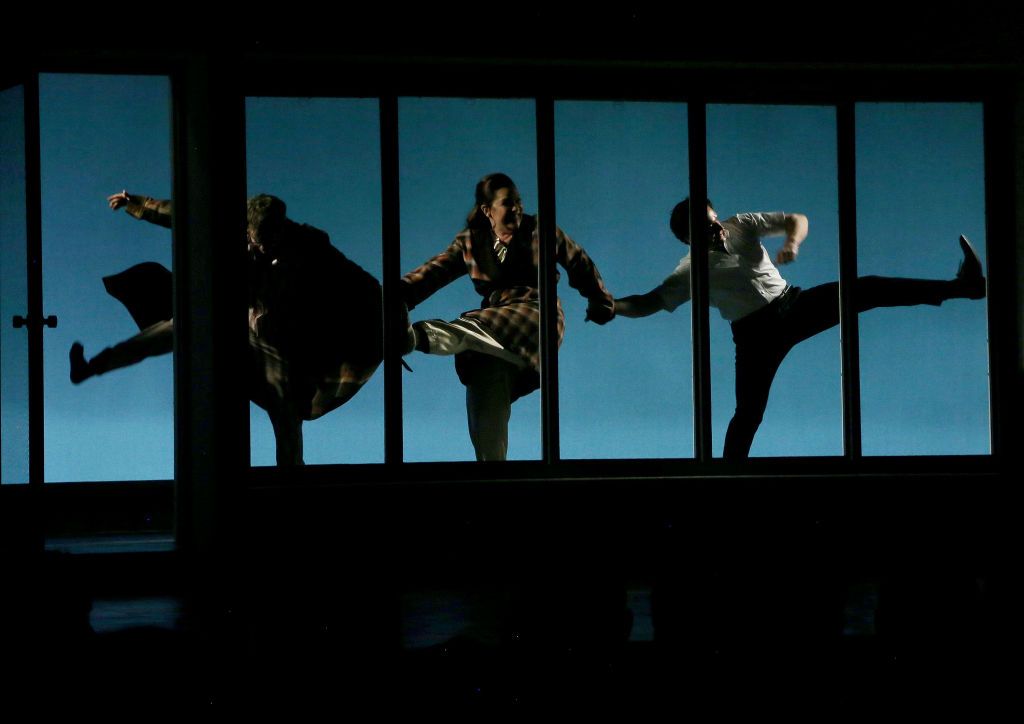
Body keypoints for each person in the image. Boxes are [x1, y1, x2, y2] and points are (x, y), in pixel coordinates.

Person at [614, 198, 986, 459]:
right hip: (754, 335)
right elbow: (648, 301)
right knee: (748, 413)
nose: (716, 232)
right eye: (704, 230)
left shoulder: (740, 225)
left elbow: (797, 219)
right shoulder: (688, 270)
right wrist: (613, 306)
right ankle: (728, 481)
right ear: (687, 239)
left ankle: (963, 287)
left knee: (866, 289)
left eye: (714, 222)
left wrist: (792, 242)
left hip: (794, 304)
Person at [70, 191, 383, 466]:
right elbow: (182, 215)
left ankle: (291, 478)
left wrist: (383, 304)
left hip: (273, 340)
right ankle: (92, 367)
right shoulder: (230, 226)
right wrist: (136, 203)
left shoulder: (309, 242)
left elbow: (353, 277)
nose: (260, 250)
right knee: (170, 331)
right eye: (254, 242)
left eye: (268, 244)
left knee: (285, 411)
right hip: (230, 316)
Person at [401, 172, 615, 461]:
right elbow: (431, 273)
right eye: (506, 203)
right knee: (484, 397)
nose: (515, 208)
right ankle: (493, 475)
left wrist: (599, 300)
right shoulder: (471, 242)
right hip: (495, 324)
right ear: (488, 211)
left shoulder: (541, 229)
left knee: (470, 329)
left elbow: (578, 261)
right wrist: (390, 298)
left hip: (536, 313)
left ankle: (416, 336)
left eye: (518, 202)